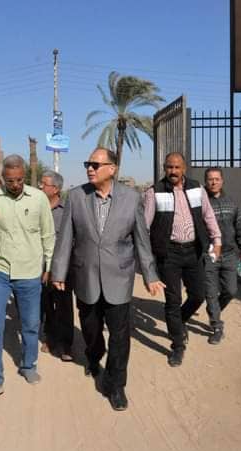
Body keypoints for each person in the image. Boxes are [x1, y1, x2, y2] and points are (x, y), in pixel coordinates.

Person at [51, 148, 164, 411]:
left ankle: (117, 385)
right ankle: (94, 355)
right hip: (86, 276)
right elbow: (65, 237)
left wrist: (150, 274)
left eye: (95, 164)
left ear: (112, 168)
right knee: (90, 329)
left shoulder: (131, 198)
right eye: (87, 164)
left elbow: (141, 239)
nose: (90, 169)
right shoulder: (76, 196)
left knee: (120, 336)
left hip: (119, 277)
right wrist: (58, 271)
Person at [0, 154, 55, 401]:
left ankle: (28, 365)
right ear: (3, 177)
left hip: (29, 271)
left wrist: (48, 266)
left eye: (19, 180)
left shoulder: (38, 198)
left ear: (24, 176)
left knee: (30, 323)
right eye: (10, 181)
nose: (15, 185)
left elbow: (48, 234)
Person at [143, 152, 222, 368]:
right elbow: (145, 226)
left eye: (177, 167)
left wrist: (216, 240)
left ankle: (179, 322)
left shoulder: (197, 188)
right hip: (168, 254)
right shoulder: (154, 192)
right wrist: (147, 259)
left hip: (194, 252)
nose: (173, 171)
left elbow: (208, 215)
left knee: (198, 295)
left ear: (184, 169)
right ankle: (177, 345)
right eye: (169, 167)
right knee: (173, 300)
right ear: (164, 168)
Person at [203, 167, 241, 344]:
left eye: (217, 179)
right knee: (210, 293)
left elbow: (240, 228)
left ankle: (213, 310)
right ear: (206, 182)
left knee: (231, 291)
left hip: (229, 255)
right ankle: (217, 326)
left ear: (222, 181)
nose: (213, 182)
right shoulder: (202, 204)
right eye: (210, 179)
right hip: (209, 255)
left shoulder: (231, 203)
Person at [39, 170, 74, 361]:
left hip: (63, 266)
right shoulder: (37, 208)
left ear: (56, 189)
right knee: (46, 304)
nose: (41, 187)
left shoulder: (68, 210)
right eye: (41, 183)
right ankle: (50, 338)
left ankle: (66, 345)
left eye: (44, 184)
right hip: (40, 265)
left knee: (64, 305)